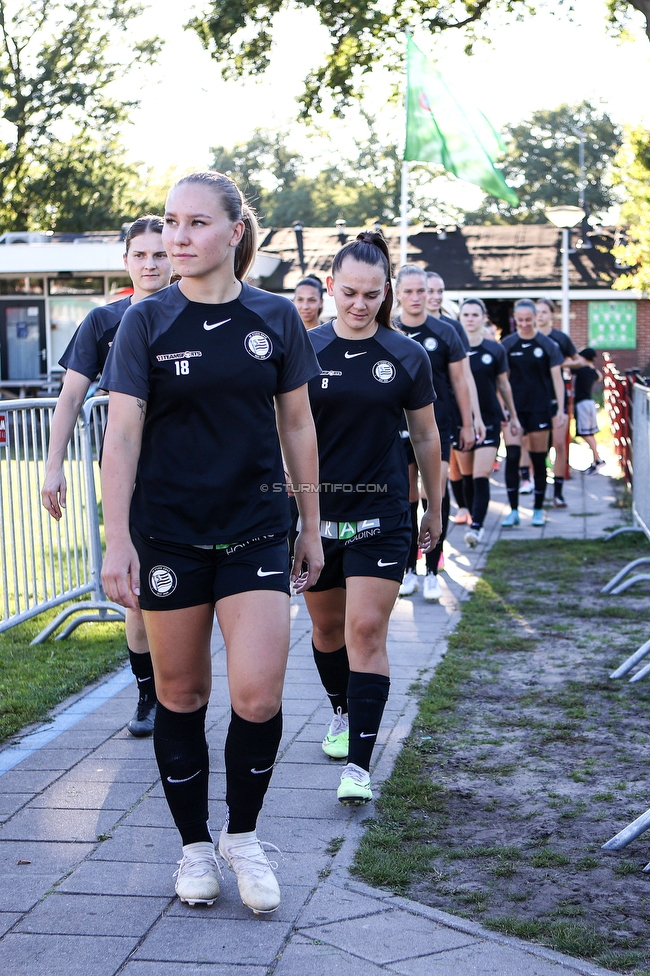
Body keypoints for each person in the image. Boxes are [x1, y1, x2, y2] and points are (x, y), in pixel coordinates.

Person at [99, 171, 323, 914]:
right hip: (169, 533)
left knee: (258, 696)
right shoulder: (146, 322)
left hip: (257, 527)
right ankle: (194, 847)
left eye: (196, 223)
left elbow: (296, 424)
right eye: (170, 223)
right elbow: (123, 435)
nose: (178, 237)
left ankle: (244, 837)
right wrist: (116, 541)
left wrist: (312, 524)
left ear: (235, 232)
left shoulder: (277, 318)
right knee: (181, 694)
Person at [302, 233, 442, 805]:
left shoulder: (406, 355)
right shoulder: (302, 348)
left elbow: (428, 434)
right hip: (315, 516)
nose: (359, 305)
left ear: (387, 293)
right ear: (331, 285)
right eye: (350, 292)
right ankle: (341, 710)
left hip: (383, 513)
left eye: (371, 294)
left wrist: (436, 503)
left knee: (365, 630)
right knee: (328, 631)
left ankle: (359, 766)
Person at [41, 215, 172, 737]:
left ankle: (183, 692)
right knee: (138, 590)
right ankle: (148, 697)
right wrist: (53, 466)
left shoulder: (197, 315)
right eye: (140, 254)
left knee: (186, 593)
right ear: (126, 261)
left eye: (159, 254)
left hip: (191, 475)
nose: (150, 263)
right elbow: (71, 396)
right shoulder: (103, 320)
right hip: (128, 477)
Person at [394, 266, 478, 601]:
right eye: (410, 291)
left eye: (422, 291)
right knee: (406, 502)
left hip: (436, 428)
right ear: (397, 293)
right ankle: (409, 570)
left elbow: (459, 381)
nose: (417, 298)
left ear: (431, 293)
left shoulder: (446, 332)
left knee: (434, 498)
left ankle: (432, 571)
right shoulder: (386, 330)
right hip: (395, 428)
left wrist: (469, 423)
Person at [453, 299, 520, 546]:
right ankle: (472, 514)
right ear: (460, 319)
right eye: (466, 315)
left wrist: (512, 415)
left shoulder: (495, 350)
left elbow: (504, 385)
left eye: (474, 315)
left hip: (490, 418)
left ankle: (477, 527)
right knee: (467, 476)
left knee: (482, 473)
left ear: (483, 318)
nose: (470, 319)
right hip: (460, 419)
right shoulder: (453, 349)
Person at [500, 299, 566, 527]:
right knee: (513, 457)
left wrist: (562, 408)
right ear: (514, 320)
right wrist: (503, 408)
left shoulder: (547, 345)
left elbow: (557, 379)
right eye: (520, 320)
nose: (525, 324)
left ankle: (538, 509)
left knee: (539, 460)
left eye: (529, 319)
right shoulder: (507, 345)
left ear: (536, 317)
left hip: (540, 409)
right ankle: (513, 510)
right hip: (514, 411)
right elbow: (501, 380)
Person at [535, 298, 581, 508]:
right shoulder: (528, 338)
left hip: (557, 397)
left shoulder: (560, 338)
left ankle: (559, 492)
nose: (540, 316)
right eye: (538, 312)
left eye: (544, 312)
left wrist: (562, 363)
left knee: (560, 444)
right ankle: (537, 488)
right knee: (537, 449)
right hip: (535, 400)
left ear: (551, 315)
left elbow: (579, 360)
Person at [572, 347, 605, 473]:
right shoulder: (592, 371)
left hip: (582, 403)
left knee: (586, 433)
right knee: (590, 433)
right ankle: (596, 460)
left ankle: (598, 460)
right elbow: (599, 377)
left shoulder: (581, 370)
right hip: (590, 403)